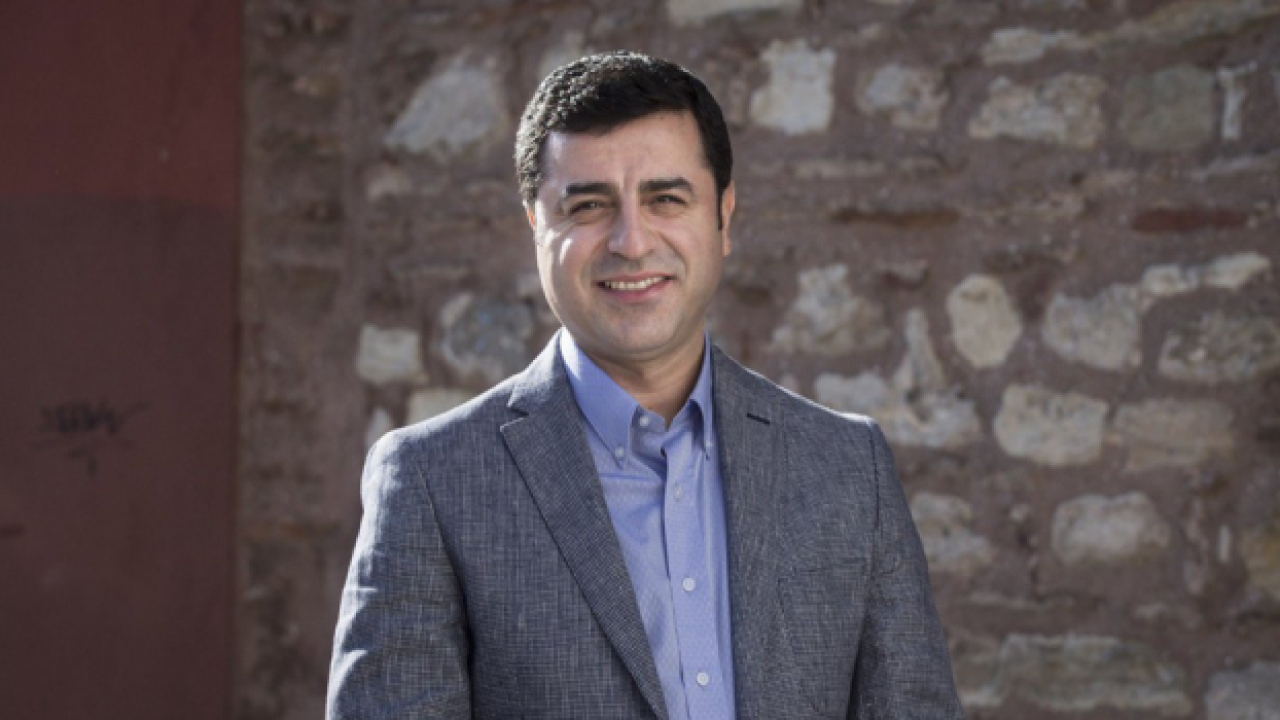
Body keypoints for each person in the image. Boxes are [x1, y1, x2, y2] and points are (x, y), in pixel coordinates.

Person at [327, 51, 964, 720]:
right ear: (535, 225)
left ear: (723, 216)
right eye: (588, 205)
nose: (631, 242)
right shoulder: (433, 483)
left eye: (666, 199)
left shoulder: (847, 469)